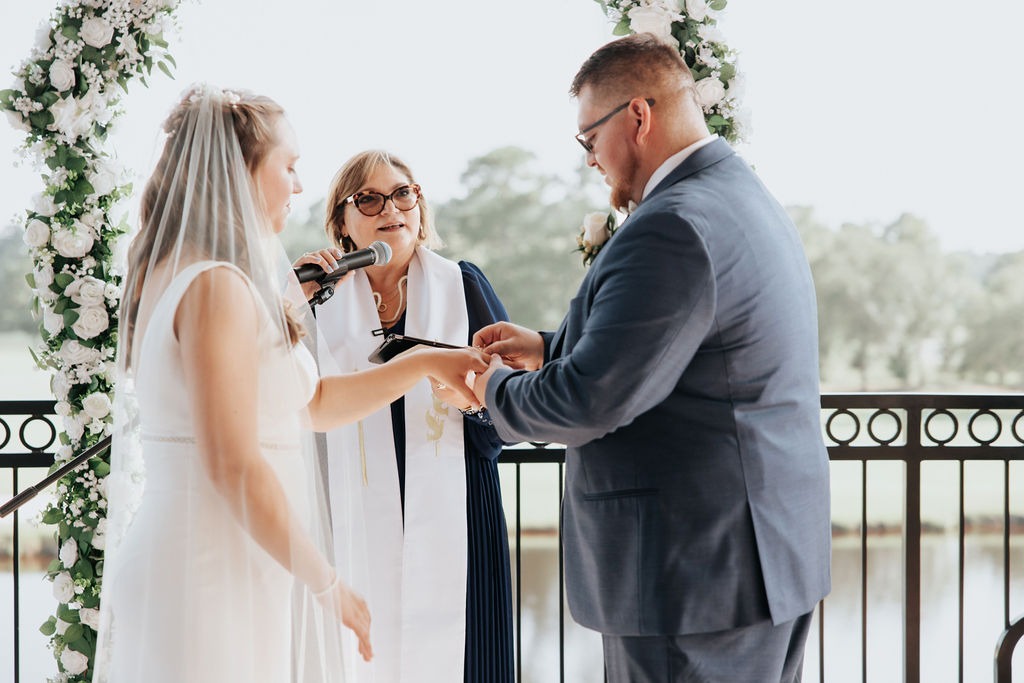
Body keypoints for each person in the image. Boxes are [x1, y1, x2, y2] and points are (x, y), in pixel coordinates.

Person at [93, 86, 488, 683]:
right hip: (205, 566)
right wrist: (326, 582)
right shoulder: (217, 285)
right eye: (290, 166)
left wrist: (427, 363)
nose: (298, 186)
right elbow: (233, 464)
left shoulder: (194, 272)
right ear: (244, 171)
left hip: (232, 555)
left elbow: (315, 406)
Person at [471, 33, 832, 682]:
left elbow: (587, 401)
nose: (588, 160)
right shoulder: (742, 196)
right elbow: (701, 349)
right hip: (764, 562)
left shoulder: (674, 222)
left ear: (637, 115)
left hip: (689, 577)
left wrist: (490, 387)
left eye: (588, 139)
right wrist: (552, 347)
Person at [297, 150, 514, 683]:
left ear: (419, 205)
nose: (389, 207)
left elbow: (509, 407)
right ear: (343, 224)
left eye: (402, 193)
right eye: (367, 198)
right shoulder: (319, 298)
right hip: (348, 511)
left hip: (459, 505)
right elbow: (291, 408)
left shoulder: (462, 286)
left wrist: (474, 406)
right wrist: (295, 299)